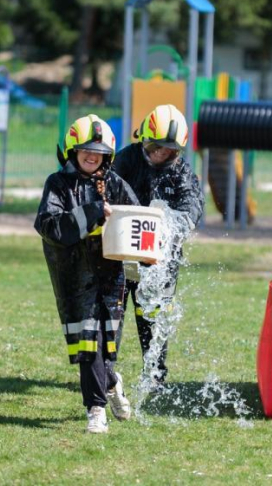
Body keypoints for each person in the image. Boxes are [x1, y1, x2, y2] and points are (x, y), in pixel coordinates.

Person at [34, 115, 138, 434]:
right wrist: (92, 213)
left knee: (105, 344)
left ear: (108, 156)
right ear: (73, 151)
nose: (92, 156)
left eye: (99, 152)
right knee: (87, 343)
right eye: (86, 150)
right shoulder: (58, 184)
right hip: (74, 276)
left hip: (111, 278)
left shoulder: (116, 184)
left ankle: (111, 382)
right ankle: (96, 408)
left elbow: (137, 219)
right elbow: (49, 225)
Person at [112, 104, 204, 384]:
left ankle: (155, 376)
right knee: (112, 313)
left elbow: (193, 206)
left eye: (170, 150)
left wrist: (174, 228)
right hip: (119, 253)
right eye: (157, 147)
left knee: (153, 315)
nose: (162, 154)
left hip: (159, 260)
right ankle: (104, 375)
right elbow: (104, 191)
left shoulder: (181, 172)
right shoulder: (124, 160)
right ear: (145, 140)